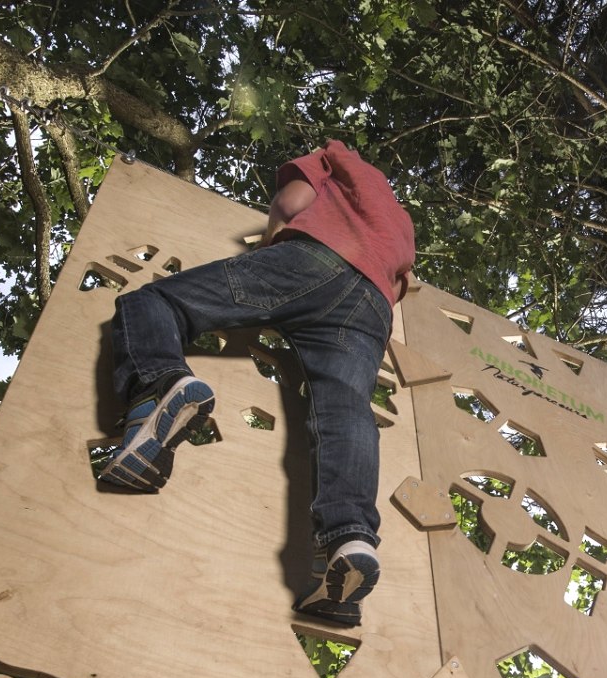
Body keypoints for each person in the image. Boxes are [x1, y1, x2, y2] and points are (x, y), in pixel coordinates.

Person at [98, 140, 415, 629]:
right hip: (371, 306)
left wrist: (271, 253)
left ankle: (161, 385)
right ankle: (348, 540)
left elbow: (291, 203)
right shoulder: (403, 224)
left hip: (316, 259)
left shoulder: (338, 156)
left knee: (156, 302)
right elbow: (398, 290)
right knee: (346, 410)